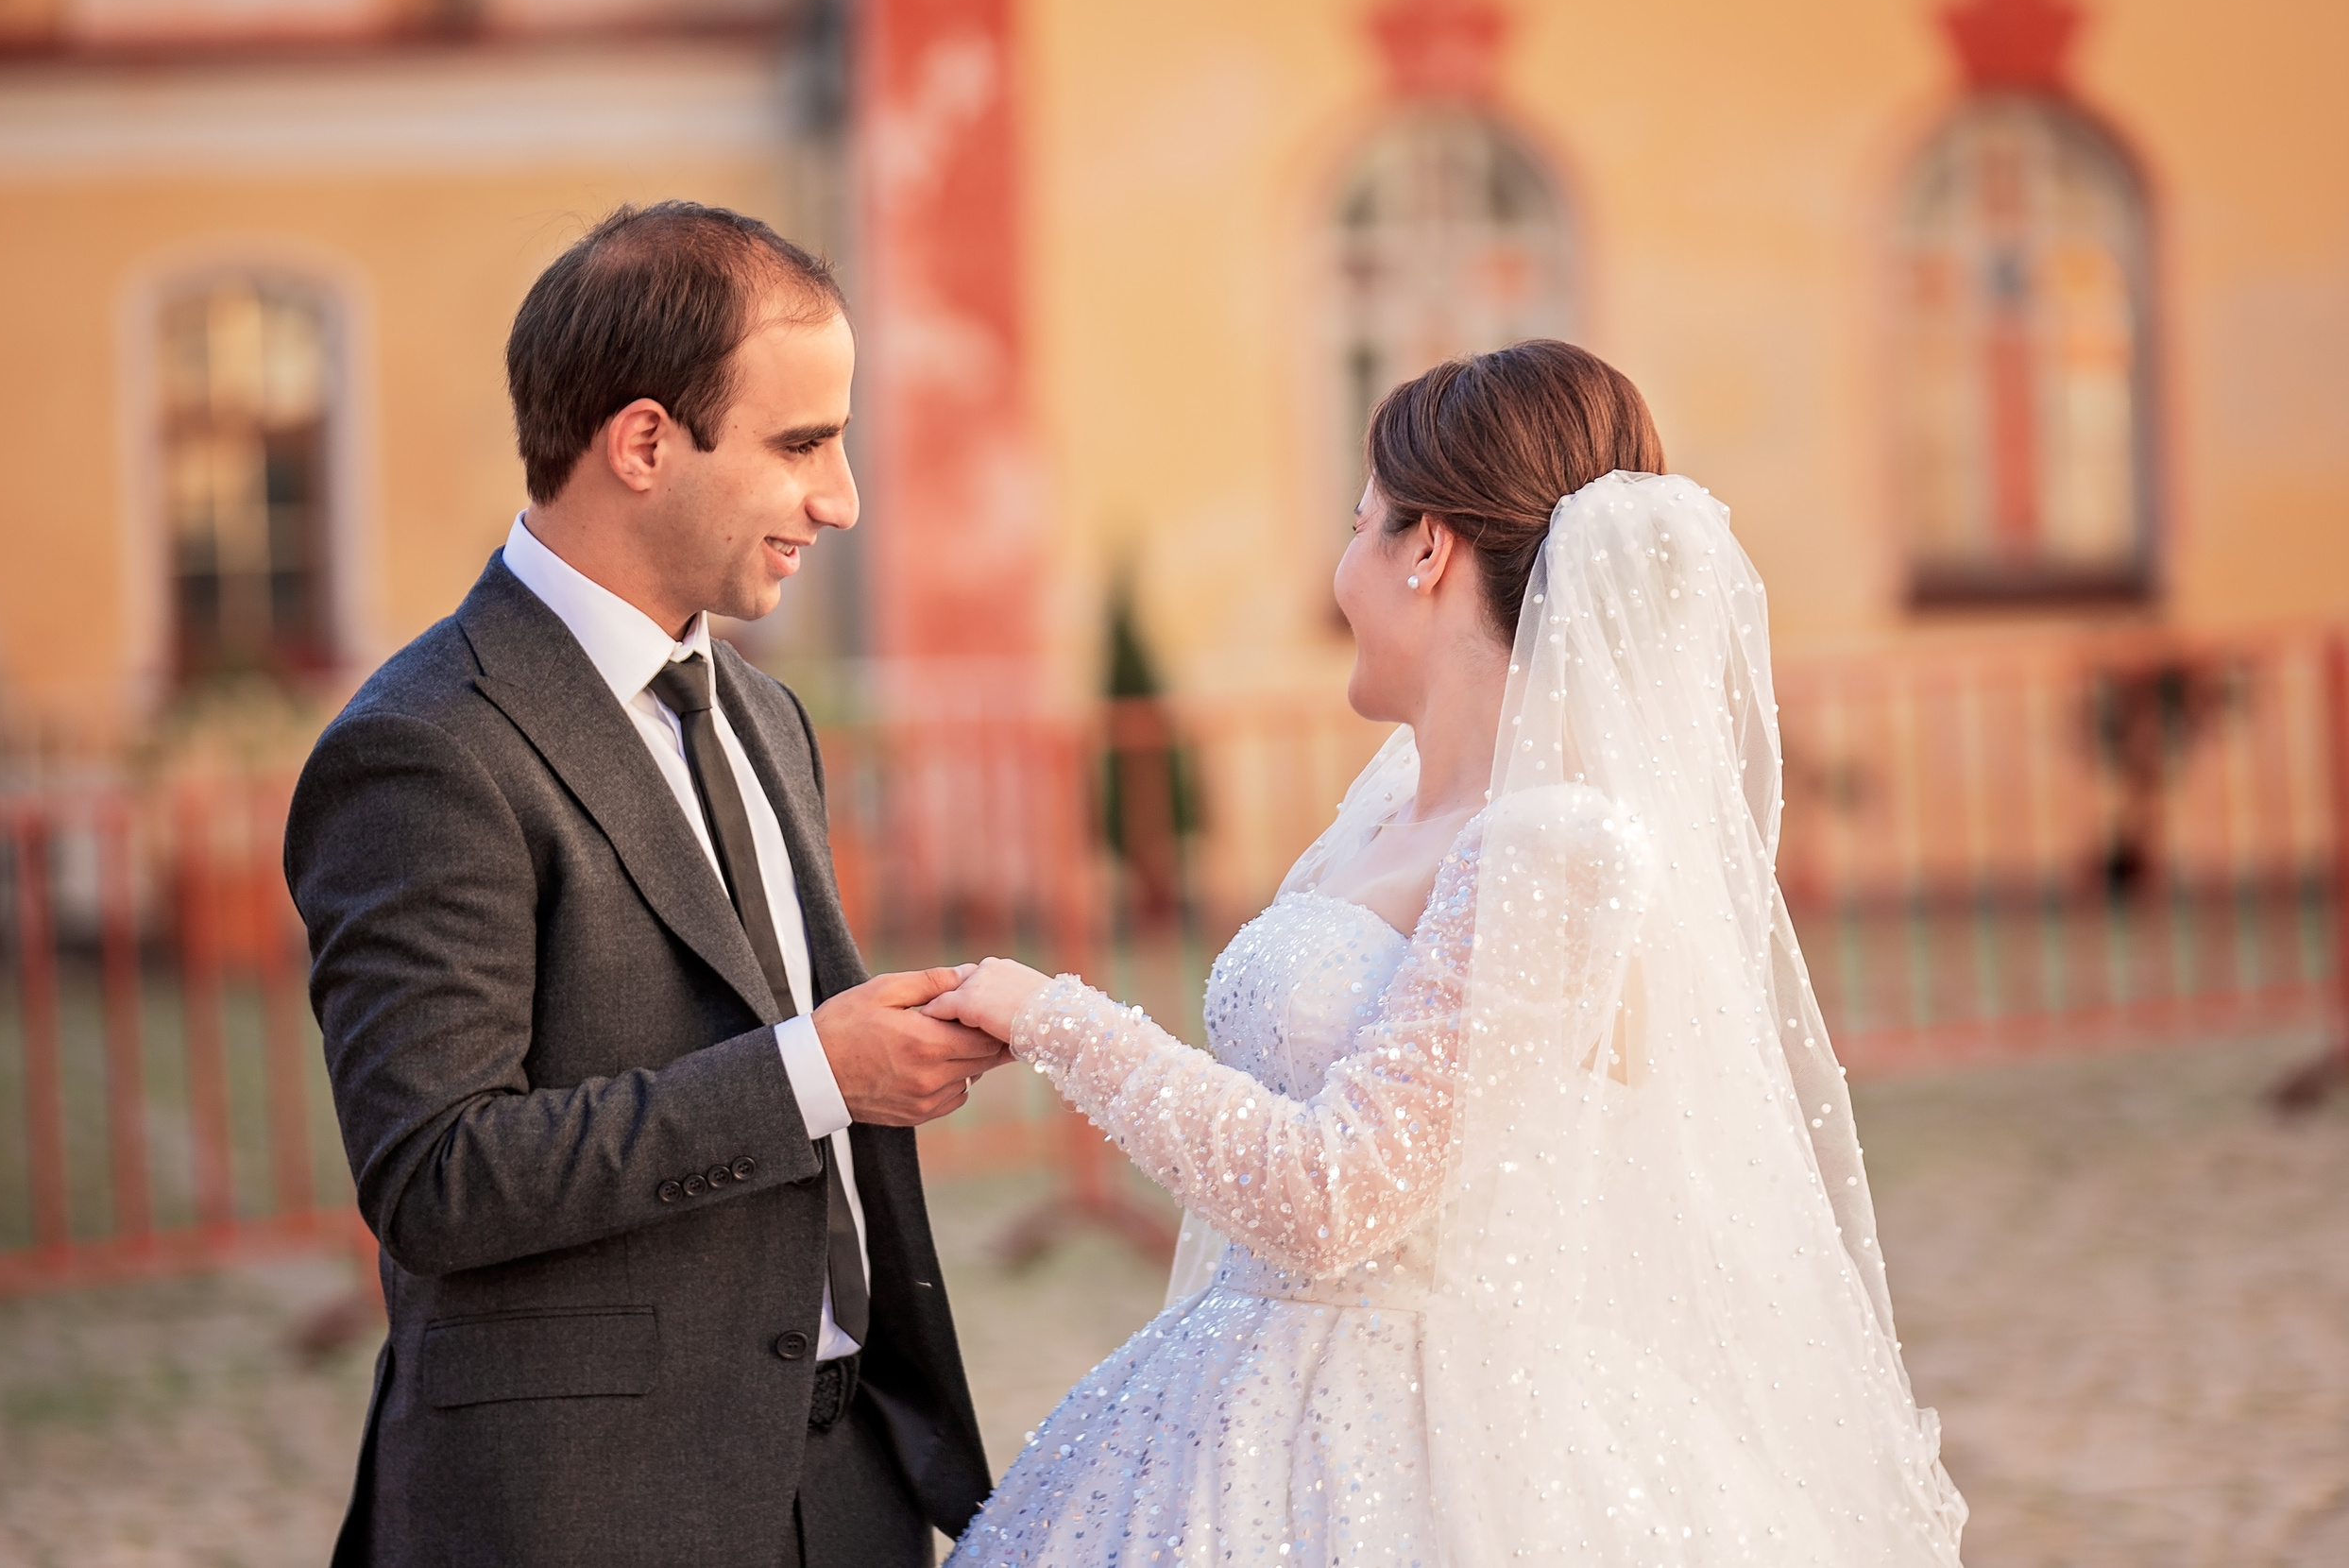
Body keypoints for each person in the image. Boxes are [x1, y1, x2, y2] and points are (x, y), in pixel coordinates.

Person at [928, 341, 1970, 1565]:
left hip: (1431, 1439)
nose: (1341, 573)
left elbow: (1334, 1196)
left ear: (1426, 549)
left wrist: (1053, 1018)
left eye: (1358, 525)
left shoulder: (1557, 847)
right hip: (1239, 1387)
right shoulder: (1386, 815)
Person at [284, 202, 1005, 1568]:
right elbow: (438, 1176)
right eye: (801, 444)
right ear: (644, 444)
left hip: (852, 1490)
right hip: (591, 1512)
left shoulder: (764, 715)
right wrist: (815, 1074)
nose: (842, 499)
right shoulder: (423, 748)